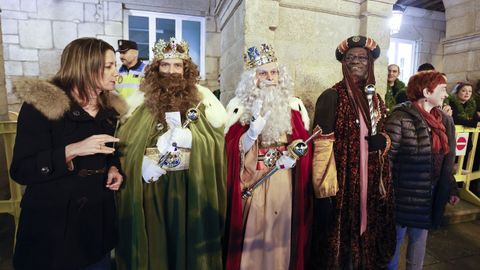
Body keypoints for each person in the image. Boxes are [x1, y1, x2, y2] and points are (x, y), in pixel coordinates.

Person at [10, 37, 126, 270]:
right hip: (53, 231)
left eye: (116, 65)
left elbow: (109, 150)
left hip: (96, 227)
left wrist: (114, 168)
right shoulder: (41, 106)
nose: (117, 73)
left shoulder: (110, 108)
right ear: (85, 67)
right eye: (109, 66)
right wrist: (72, 150)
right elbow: (21, 170)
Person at [115, 37, 227, 270]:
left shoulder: (203, 99)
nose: (172, 72)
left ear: (186, 69)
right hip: (153, 187)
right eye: (165, 65)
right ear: (156, 69)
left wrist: (193, 139)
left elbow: (217, 142)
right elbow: (126, 142)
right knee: (157, 245)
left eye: (178, 65)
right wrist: (143, 163)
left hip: (190, 187)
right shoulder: (139, 100)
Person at [310, 35, 396, 269]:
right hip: (344, 184)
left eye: (362, 57)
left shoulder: (376, 99)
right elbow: (320, 147)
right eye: (351, 57)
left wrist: (384, 141)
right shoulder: (332, 97)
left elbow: (386, 131)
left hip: (371, 182)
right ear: (343, 63)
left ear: (370, 62)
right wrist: (323, 191)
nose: (356, 61)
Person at [224, 43, 312, 270]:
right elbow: (231, 150)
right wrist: (252, 133)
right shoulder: (238, 108)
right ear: (252, 79)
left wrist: (294, 154)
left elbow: (302, 142)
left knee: (280, 235)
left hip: (283, 180)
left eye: (274, 72)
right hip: (253, 179)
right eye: (263, 73)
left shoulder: (293, 107)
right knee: (254, 234)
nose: (270, 78)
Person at [385, 71, 460, 270]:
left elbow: (446, 160)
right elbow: (386, 161)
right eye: (442, 89)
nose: (446, 94)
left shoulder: (444, 121)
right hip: (401, 198)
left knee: (418, 248)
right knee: (392, 248)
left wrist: (451, 188)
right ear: (427, 92)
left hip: (428, 196)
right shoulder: (400, 118)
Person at [116, 39, 146, 107]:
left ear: (135, 53)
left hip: (138, 114)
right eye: (120, 53)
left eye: (124, 53)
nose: (121, 56)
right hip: (121, 113)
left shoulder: (146, 71)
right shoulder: (117, 72)